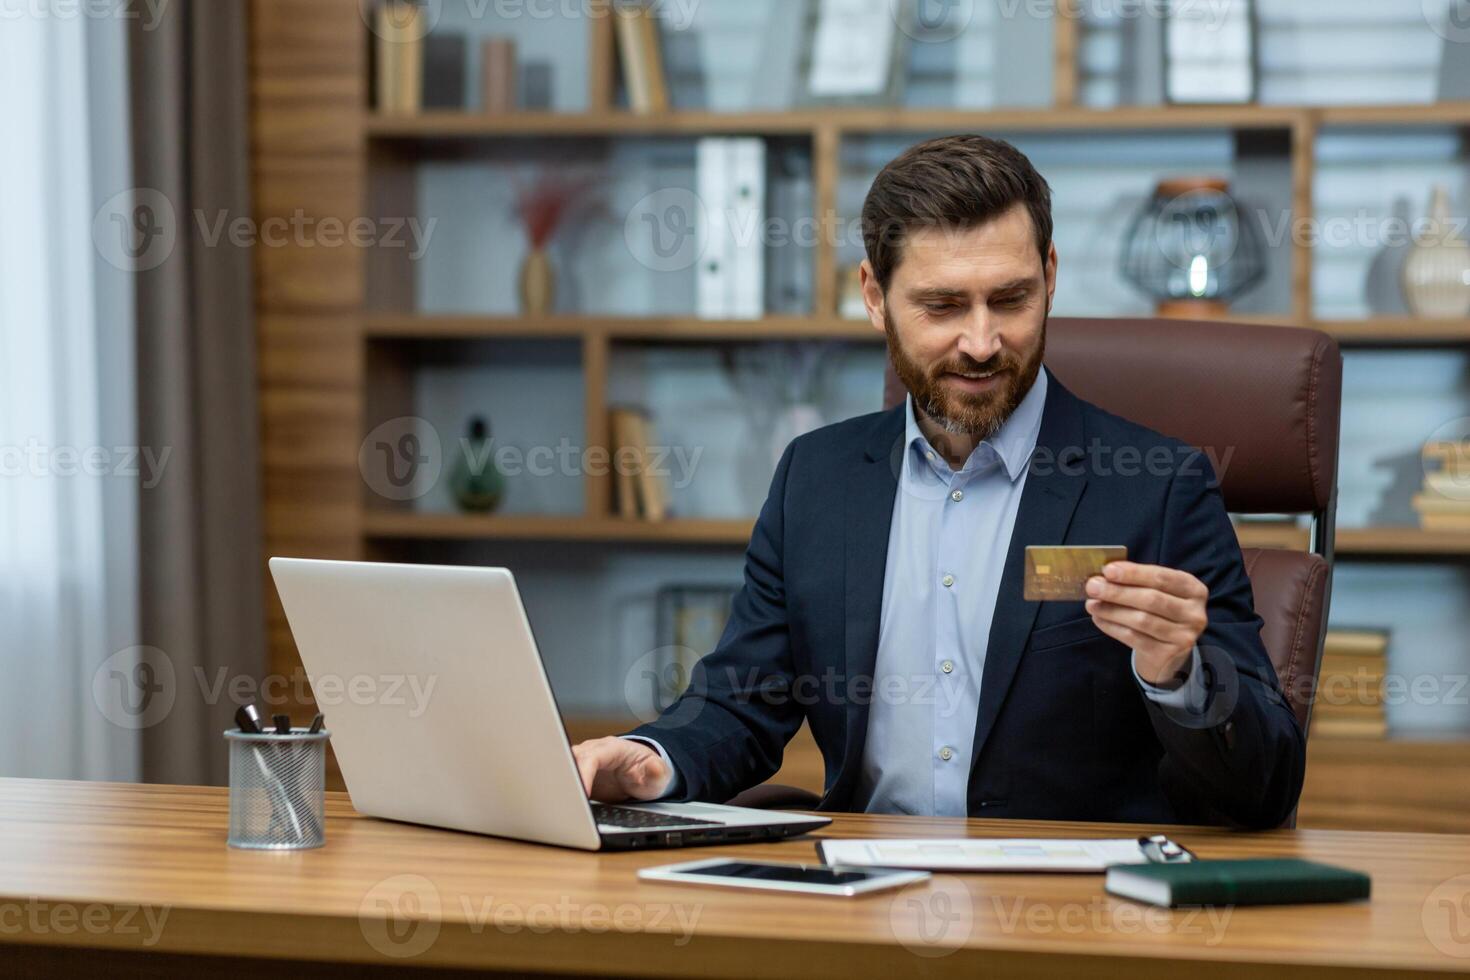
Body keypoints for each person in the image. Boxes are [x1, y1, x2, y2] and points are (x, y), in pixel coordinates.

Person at [572, 134, 1304, 828]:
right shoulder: (815, 479)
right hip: (861, 898)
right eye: (942, 306)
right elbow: (741, 704)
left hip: (1080, 913)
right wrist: (649, 760)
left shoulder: (1159, 488)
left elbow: (1265, 788)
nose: (981, 343)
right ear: (872, 295)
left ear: (1050, 277)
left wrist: (1180, 676)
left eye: (1011, 300)